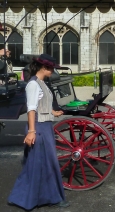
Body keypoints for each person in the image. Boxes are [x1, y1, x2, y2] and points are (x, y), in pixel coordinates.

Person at [8, 53, 70, 210]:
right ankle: (51, 198)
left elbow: (42, 106)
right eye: (51, 69)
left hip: (45, 126)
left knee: (37, 164)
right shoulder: (33, 84)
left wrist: (53, 113)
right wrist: (31, 131)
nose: (52, 73)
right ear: (44, 68)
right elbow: (31, 109)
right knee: (43, 163)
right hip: (38, 128)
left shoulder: (42, 83)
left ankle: (21, 196)